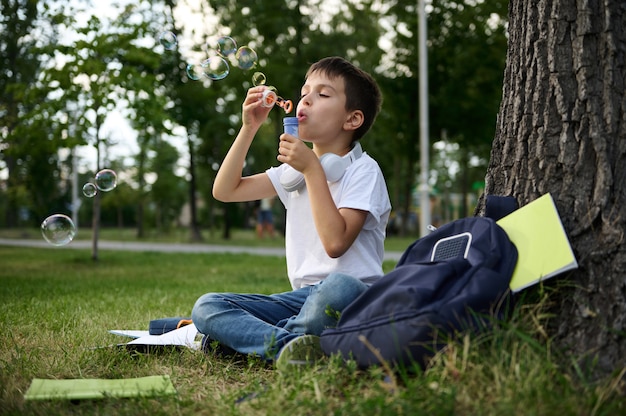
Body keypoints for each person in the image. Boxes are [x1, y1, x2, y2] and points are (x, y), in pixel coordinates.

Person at [191, 56, 391, 369]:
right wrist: (249, 127)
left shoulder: (363, 171)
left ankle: (251, 343)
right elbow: (225, 190)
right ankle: (293, 347)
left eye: (323, 94)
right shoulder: (293, 173)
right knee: (208, 306)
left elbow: (335, 243)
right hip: (300, 303)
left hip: (354, 298)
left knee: (341, 286)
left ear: (352, 119)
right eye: (304, 92)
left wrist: (313, 170)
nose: (307, 99)